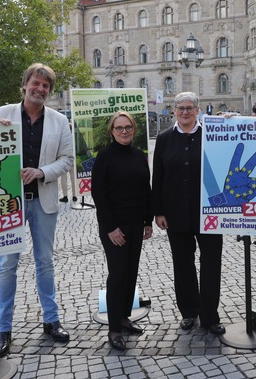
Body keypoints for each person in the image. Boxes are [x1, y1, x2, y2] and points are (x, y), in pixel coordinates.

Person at [0, 63, 74, 357]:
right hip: (9, 202)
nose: (40, 89)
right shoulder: (1, 113)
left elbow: (67, 159)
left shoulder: (59, 121)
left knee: (45, 262)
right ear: (24, 85)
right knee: (6, 266)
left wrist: (41, 172)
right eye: (36, 83)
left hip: (43, 199)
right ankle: (3, 329)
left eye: (46, 86)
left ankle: (51, 321)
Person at [152, 92, 226, 335]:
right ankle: (188, 312)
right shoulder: (164, 138)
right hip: (175, 212)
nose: (185, 112)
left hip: (209, 213)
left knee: (211, 265)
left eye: (189, 108)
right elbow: (158, 176)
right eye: (180, 108)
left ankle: (209, 315)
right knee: (183, 265)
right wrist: (158, 211)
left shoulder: (212, 135)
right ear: (174, 111)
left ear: (198, 110)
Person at [91, 111, 153, 351]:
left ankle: (125, 317)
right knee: (117, 275)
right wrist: (111, 228)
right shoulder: (105, 157)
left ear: (134, 130)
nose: (124, 131)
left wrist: (148, 220)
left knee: (130, 272)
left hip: (136, 223)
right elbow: (99, 195)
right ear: (112, 131)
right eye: (119, 128)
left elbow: (146, 189)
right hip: (114, 226)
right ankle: (114, 328)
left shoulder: (139, 155)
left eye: (128, 127)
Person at [59, 123, 78, 203]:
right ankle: (74, 196)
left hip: (64, 160)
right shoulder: (74, 138)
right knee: (73, 179)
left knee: (64, 179)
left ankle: (65, 196)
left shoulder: (62, 138)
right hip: (73, 160)